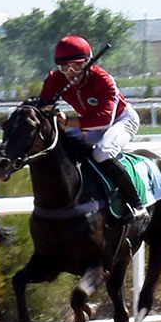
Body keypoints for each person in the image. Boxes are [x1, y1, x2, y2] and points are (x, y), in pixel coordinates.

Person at [39, 35, 147, 221]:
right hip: (90, 122)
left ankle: (136, 204)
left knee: (102, 153)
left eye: (77, 66)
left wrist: (67, 121)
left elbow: (105, 120)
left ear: (88, 63)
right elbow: (42, 105)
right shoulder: (55, 80)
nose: (71, 72)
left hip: (120, 120)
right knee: (64, 150)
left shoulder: (103, 80)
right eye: (64, 67)